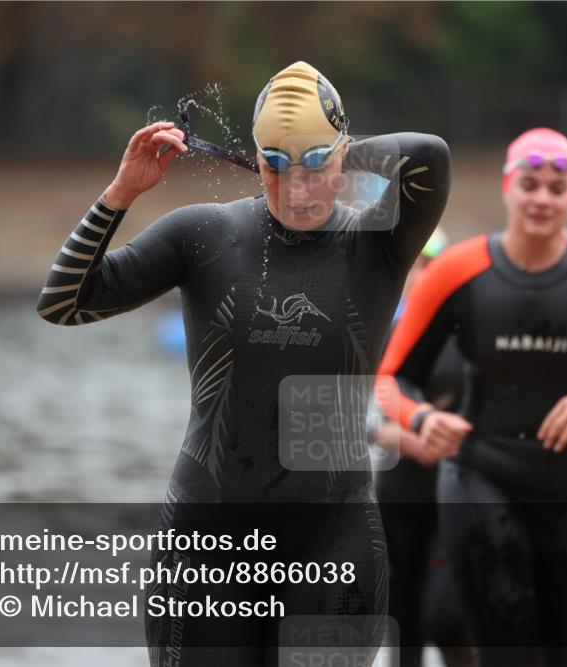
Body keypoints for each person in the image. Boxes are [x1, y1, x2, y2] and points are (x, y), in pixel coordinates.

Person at [36, 61, 451, 666]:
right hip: (205, 545)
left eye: (314, 166)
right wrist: (120, 194)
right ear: (255, 163)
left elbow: (430, 157)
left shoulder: (377, 245)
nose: (298, 188)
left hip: (333, 542)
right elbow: (63, 302)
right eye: (276, 168)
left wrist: (331, 149)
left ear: (343, 152)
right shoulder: (204, 235)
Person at [376, 128, 567, 666]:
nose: (542, 198)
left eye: (556, 186)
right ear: (507, 187)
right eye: (530, 184)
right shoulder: (458, 270)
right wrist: (422, 416)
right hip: (481, 477)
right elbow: (391, 379)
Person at [371, 230, 477, 667]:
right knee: (402, 630)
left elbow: (495, 417)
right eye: (415, 263)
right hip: (397, 499)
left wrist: (447, 437)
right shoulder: (383, 332)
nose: (423, 273)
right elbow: (334, 414)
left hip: (455, 499)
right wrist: (401, 437)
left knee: (446, 619)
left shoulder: (469, 338)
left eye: (433, 263)